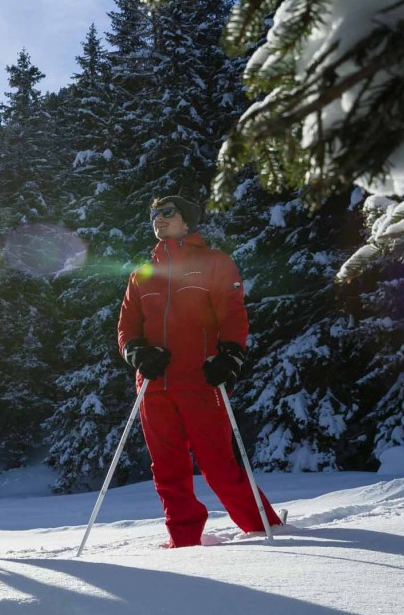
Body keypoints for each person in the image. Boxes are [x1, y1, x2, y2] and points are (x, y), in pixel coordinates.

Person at [117, 195, 282, 548]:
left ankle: (263, 527)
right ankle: (184, 542)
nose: (158, 219)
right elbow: (127, 327)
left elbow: (233, 315)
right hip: (154, 385)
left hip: (201, 380)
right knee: (167, 470)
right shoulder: (141, 274)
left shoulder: (214, 263)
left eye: (167, 213)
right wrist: (137, 354)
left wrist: (230, 356)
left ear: (187, 221)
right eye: (153, 214)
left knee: (218, 466)